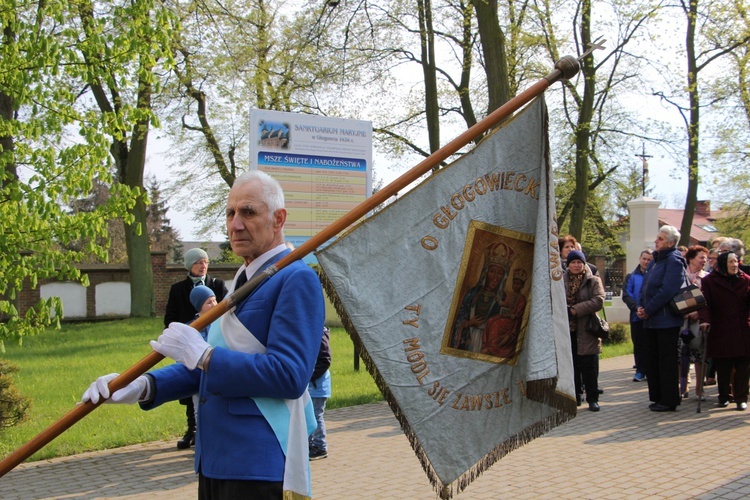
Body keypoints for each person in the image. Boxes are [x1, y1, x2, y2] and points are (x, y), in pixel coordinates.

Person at [82, 170, 326, 499]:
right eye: (231, 212)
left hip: (258, 463)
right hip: (213, 461)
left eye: (248, 212)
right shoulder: (242, 280)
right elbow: (202, 369)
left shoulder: (295, 279)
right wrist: (142, 385)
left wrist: (205, 355)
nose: (235, 224)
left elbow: (290, 375)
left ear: (278, 218)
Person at [164, 248, 228, 450]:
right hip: (189, 345)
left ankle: (213, 435)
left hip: (213, 344)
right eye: (198, 262)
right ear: (189, 265)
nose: (203, 266)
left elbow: (228, 313)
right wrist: (188, 330)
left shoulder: (217, 285)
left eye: (206, 262)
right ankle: (192, 430)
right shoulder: (178, 289)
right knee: (190, 391)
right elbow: (170, 320)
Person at [637, 225, 686, 412]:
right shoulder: (656, 260)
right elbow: (645, 286)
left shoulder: (674, 261)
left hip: (666, 321)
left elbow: (668, 290)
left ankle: (669, 399)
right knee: (653, 359)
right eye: (657, 237)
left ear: (671, 243)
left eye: (661, 239)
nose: (656, 241)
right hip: (650, 319)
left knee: (666, 360)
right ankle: (657, 396)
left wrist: (648, 309)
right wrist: (641, 307)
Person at [698, 251, 750, 411]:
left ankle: (741, 398)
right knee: (723, 366)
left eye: (736, 261)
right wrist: (705, 320)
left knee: (743, 366)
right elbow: (705, 304)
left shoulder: (746, 280)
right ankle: (724, 396)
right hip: (721, 328)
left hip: (742, 328)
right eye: (731, 262)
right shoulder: (709, 281)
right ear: (722, 264)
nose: (734, 265)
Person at [450, 241, 511, 352]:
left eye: (500, 273)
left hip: (488, 344)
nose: (495, 278)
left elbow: (506, 325)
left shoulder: (503, 299)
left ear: (504, 277)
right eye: (492, 271)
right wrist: (468, 323)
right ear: (485, 273)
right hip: (468, 339)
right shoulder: (472, 294)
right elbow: (459, 317)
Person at [564, 250, 605, 412]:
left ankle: (593, 398)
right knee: (571, 364)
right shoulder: (560, 280)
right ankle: (575, 396)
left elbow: (599, 300)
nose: (576, 265)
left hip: (587, 328)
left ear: (584, 264)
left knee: (588, 365)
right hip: (567, 329)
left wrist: (575, 310)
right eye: (573, 262)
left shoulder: (592, 280)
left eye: (579, 262)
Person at [679, 245, 709, 400]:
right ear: (691, 258)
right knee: (681, 354)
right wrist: (683, 312)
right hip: (682, 321)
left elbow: (711, 300)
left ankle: (700, 389)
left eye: (705, 258)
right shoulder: (680, 276)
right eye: (701, 257)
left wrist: (699, 313)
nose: (704, 260)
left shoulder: (707, 278)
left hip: (699, 321)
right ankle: (683, 386)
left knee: (699, 356)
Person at [481, 268, 528, 359]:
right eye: (514, 283)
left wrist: (510, 315)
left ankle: (493, 348)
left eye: (518, 284)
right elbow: (505, 304)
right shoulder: (510, 294)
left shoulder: (521, 298)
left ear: (522, 286)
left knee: (497, 324)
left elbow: (518, 313)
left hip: (513, 321)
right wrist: (498, 301)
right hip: (505, 316)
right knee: (490, 320)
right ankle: (487, 345)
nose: (515, 285)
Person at [622, 249, 652, 382]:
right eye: (644, 258)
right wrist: (636, 308)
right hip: (636, 316)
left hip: (651, 316)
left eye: (649, 259)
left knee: (650, 345)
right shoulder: (631, 276)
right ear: (640, 259)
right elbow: (627, 295)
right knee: (639, 344)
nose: (646, 262)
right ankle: (640, 371)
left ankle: (651, 371)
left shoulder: (654, 275)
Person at [308, 327, 332, 460]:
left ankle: (320, 446)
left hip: (318, 386)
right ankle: (310, 445)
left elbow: (325, 359)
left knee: (316, 416)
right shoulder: (311, 331)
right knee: (309, 416)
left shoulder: (319, 333)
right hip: (311, 386)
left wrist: (311, 376)